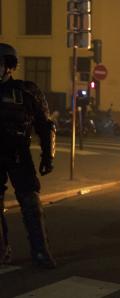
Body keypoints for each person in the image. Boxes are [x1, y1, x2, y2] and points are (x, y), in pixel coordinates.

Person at [0, 43, 56, 268]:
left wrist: (47, 156)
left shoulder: (26, 91)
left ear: (9, 67)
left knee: (30, 203)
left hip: (18, 154)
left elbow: (45, 125)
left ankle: (40, 251)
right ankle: (2, 251)